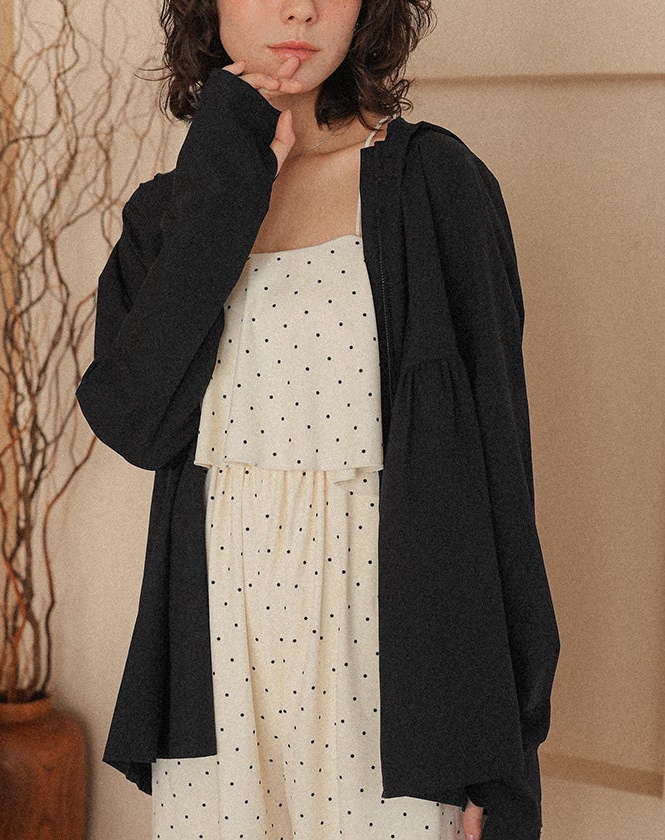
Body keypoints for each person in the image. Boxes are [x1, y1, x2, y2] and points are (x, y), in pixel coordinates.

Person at [75, 1, 561, 839]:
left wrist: (501, 749)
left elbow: (497, 483)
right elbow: (135, 421)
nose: (300, 7)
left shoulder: (434, 184)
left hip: (394, 674)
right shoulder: (170, 213)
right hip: (224, 664)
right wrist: (227, 173)